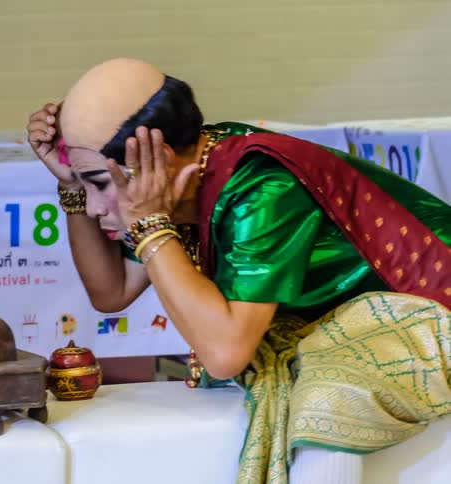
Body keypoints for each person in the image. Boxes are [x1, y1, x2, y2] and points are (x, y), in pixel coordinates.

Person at [27, 58, 451, 484]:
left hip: (431, 310)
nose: (94, 207)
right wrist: (71, 186)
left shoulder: (262, 186)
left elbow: (225, 355)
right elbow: (111, 292)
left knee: (329, 398)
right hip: (353, 321)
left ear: (158, 159)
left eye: (100, 183)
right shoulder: (187, 173)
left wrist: (148, 224)